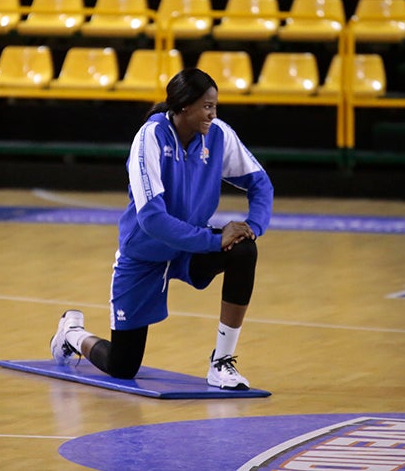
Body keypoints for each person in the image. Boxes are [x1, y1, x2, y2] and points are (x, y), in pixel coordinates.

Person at [50, 68, 273, 389]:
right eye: (207, 106)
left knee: (243, 250)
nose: (213, 114)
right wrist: (212, 240)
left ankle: (222, 362)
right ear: (184, 106)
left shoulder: (219, 135)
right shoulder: (150, 137)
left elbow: (260, 183)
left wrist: (253, 227)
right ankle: (71, 334)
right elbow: (151, 219)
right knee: (123, 366)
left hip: (189, 248)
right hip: (145, 252)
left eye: (215, 107)